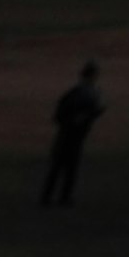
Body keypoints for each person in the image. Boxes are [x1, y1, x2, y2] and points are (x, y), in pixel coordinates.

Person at [39, 61, 104, 206]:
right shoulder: (86, 93)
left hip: (69, 135)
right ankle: (59, 198)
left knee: (62, 168)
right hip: (71, 135)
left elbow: (59, 116)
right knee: (66, 168)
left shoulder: (77, 93)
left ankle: (52, 197)